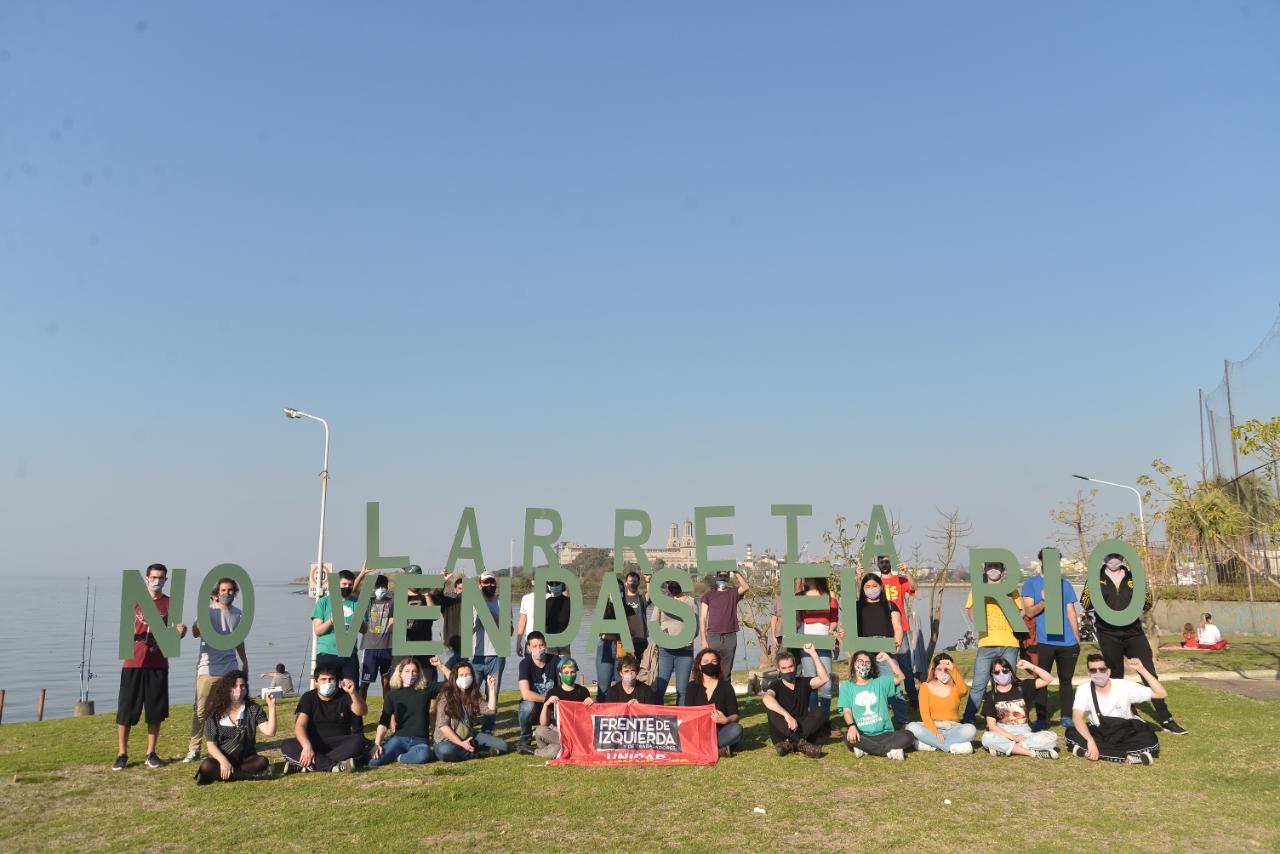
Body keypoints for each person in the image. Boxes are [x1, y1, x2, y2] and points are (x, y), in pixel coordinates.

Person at [1079, 554, 1187, 735]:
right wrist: (1091, 585)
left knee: (1149, 673)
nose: (1114, 560)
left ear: (1123, 557)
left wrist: (1142, 587)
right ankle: (1125, 715)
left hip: (1133, 633)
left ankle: (1166, 718)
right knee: (1116, 676)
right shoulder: (1096, 579)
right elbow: (1085, 604)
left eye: (1118, 556)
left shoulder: (1133, 577)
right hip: (1108, 633)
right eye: (1110, 556)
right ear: (1104, 557)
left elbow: (1147, 604)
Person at [114, 563, 188, 771]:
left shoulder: (170, 603)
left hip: (158, 663)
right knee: (126, 710)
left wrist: (180, 632)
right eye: (154, 577)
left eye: (161, 578)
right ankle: (122, 754)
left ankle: (151, 753)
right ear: (146, 578)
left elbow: (174, 637)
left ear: (166, 580)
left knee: (155, 711)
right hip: (133, 662)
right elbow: (125, 627)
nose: (157, 581)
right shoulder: (134, 601)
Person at [185, 576, 249, 763]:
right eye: (223, 590)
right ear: (217, 592)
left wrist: (244, 661)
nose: (226, 593)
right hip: (207, 669)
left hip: (230, 667)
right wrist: (201, 620)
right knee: (200, 710)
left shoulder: (238, 614)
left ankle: (227, 743)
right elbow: (195, 633)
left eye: (230, 590)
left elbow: (238, 640)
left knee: (229, 709)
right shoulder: (207, 611)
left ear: (234, 593)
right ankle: (194, 748)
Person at [1065, 653, 1164, 765]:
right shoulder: (1083, 689)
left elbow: (1161, 693)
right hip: (1099, 731)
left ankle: (1088, 752)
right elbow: (1077, 718)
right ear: (1089, 673)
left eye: (1102, 669)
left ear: (1109, 671)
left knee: (1148, 739)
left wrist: (1142, 670)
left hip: (1126, 730)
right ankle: (1132, 757)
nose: (1098, 673)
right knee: (1071, 731)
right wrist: (1090, 741)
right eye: (1093, 670)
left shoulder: (1124, 686)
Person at [1021, 548, 1081, 729]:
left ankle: (1066, 716)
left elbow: (1071, 611)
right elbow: (1029, 612)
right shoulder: (1031, 584)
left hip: (1068, 643)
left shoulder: (1065, 584)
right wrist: (1045, 602)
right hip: (1044, 641)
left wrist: (1077, 638)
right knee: (1042, 681)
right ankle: (1041, 718)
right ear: (1041, 562)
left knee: (1066, 681)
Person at [961, 561, 1022, 725]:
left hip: (1009, 643)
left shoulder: (1013, 591)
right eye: (990, 567)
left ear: (1003, 571)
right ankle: (968, 719)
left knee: (1007, 683)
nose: (993, 570)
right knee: (979, 684)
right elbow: (971, 610)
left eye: (997, 567)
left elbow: (1017, 614)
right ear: (985, 570)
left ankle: (1007, 717)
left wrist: (1008, 598)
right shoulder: (978, 590)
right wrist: (980, 624)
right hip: (987, 643)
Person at [281, 663, 368, 773]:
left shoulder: (344, 695)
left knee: (359, 741)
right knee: (287, 745)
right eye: (323, 679)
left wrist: (353, 693)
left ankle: (307, 764)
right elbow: (300, 725)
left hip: (340, 744)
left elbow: (362, 712)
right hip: (314, 744)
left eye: (331, 679)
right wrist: (307, 746)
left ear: (337, 681)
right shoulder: (308, 697)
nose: (328, 682)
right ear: (316, 682)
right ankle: (335, 766)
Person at [194, 670, 276, 784]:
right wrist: (223, 762)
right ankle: (256, 776)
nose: (239, 689)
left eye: (242, 686)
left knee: (262, 761)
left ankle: (216, 775)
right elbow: (211, 745)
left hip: (246, 759)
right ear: (227, 689)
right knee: (207, 765)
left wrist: (272, 707)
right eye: (234, 686)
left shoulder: (253, 709)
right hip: (221, 758)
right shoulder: (215, 713)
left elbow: (270, 732)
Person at [839, 650, 916, 760]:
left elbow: (901, 677)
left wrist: (888, 658)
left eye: (867, 662)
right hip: (862, 734)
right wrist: (851, 726)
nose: (864, 664)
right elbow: (847, 711)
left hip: (885, 733)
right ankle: (888, 751)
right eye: (860, 661)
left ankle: (867, 748)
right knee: (848, 737)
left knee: (908, 736)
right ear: (854, 663)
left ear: (871, 666)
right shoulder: (846, 686)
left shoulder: (879, 682)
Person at [978, 658, 1060, 759]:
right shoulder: (991, 696)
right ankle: (1031, 752)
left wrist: (1030, 666)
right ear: (993, 675)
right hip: (1003, 732)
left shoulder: (1023, 686)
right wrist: (1013, 737)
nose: (1001, 674)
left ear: (1010, 672)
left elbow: (1048, 679)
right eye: (997, 672)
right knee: (987, 738)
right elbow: (992, 726)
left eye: (1004, 670)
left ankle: (1005, 749)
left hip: (1024, 732)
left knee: (1052, 738)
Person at [853, 572, 906, 725]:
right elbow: (850, 630)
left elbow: (898, 627)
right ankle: (870, 722)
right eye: (867, 586)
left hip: (885, 654)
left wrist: (897, 644)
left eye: (874, 586)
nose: (871, 589)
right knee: (866, 691)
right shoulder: (857, 607)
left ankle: (903, 721)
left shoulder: (890, 605)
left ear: (881, 587)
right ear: (862, 588)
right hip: (864, 655)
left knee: (894, 688)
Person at [369, 658, 441, 767]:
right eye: (407, 671)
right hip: (399, 739)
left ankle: (399, 757)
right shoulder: (392, 695)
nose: (410, 674)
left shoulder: (426, 688)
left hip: (420, 740)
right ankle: (357, 758)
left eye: (414, 671)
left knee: (424, 755)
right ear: (400, 673)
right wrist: (377, 743)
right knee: (374, 762)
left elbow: (452, 683)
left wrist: (440, 665)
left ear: (418, 673)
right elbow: (383, 722)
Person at [761, 644, 827, 758]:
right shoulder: (775, 685)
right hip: (783, 731)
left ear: (795, 666)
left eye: (791, 666)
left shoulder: (804, 682)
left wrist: (814, 654)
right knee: (771, 709)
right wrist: (787, 715)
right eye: (784, 668)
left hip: (802, 728)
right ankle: (800, 743)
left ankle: (792, 744)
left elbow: (824, 679)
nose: (788, 671)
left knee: (819, 711)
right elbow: (766, 698)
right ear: (778, 670)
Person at [433, 661, 508, 761]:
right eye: (462, 675)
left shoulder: (473, 695)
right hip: (446, 740)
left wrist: (492, 689)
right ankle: (477, 752)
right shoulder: (446, 697)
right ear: (455, 678)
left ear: (472, 677)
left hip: (468, 735)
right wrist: (461, 743)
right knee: (445, 751)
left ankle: (469, 748)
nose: (465, 678)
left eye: (468, 675)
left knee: (503, 745)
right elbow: (443, 726)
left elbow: (490, 710)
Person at [905, 653, 977, 754]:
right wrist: (936, 733)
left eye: (946, 670)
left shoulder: (956, 687)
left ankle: (930, 745)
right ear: (933, 671)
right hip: (931, 727)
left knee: (971, 729)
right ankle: (951, 746)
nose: (943, 673)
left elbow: (964, 691)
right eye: (939, 669)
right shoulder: (925, 687)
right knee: (911, 727)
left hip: (953, 727)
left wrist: (953, 669)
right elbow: (925, 715)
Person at [872, 557, 919, 709]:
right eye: (881, 562)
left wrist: (907, 571)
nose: (884, 564)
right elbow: (862, 591)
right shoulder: (875, 582)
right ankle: (891, 697)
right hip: (882, 630)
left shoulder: (899, 580)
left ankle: (913, 697)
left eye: (887, 561)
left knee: (905, 664)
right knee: (886, 666)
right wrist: (859, 577)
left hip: (901, 628)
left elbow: (914, 586)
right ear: (877, 564)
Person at [471, 571, 512, 735]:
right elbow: (466, 630)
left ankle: (487, 729)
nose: (490, 585)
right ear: (479, 584)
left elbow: (509, 631)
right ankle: (467, 725)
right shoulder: (473, 604)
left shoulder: (503, 603)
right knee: (470, 692)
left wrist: (495, 618)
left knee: (492, 693)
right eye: (486, 582)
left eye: (492, 582)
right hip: (476, 656)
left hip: (497, 655)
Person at [797, 576, 839, 732]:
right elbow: (796, 618)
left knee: (826, 682)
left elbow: (834, 619)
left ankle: (825, 720)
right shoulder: (800, 596)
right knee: (811, 681)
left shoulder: (829, 595)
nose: (807, 578)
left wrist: (831, 632)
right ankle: (814, 721)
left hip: (824, 640)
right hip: (805, 640)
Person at [311, 569, 364, 684]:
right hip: (327, 653)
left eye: (350, 585)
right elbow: (318, 631)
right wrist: (331, 620)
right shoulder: (323, 602)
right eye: (344, 584)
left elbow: (364, 630)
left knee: (351, 690)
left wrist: (359, 620)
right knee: (328, 691)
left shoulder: (358, 603)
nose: (347, 587)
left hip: (349, 655)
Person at [687, 648, 743, 756]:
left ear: (718, 665)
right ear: (699, 666)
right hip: (698, 732)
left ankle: (703, 749)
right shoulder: (692, 686)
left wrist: (725, 720)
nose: (710, 664)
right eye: (706, 661)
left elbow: (735, 715)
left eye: (713, 661)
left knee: (737, 730)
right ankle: (717, 750)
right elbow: (688, 714)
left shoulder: (726, 686)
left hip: (720, 732)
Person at [534, 656, 591, 759]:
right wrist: (546, 704)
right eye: (566, 672)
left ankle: (537, 751)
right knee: (540, 731)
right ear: (560, 674)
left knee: (555, 751)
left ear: (576, 673)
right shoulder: (553, 692)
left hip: (575, 732)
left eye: (572, 672)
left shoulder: (583, 691)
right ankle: (564, 747)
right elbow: (543, 723)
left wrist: (591, 704)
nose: (570, 675)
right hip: (557, 731)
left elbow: (589, 720)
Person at [652, 579, 696, 705]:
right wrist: (661, 636)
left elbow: (696, 625)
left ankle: (680, 719)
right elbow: (654, 622)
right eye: (669, 584)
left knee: (682, 690)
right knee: (659, 688)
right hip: (665, 651)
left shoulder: (691, 602)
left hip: (685, 652)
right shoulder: (661, 601)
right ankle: (658, 719)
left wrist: (691, 637)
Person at [594, 577, 638, 701]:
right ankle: (603, 715)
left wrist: (612, 633)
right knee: (603, 686)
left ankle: (623, 715)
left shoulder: (628, 608)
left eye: (618, 589)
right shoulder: (602, 609)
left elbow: (633, 631)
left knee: (623, 685)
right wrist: (619, 631)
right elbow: (599, 632)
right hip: (605, 647)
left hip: (622, 647)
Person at [515, 631, 560, 753]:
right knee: (526, 706)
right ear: (529, 648)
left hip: (553, 706)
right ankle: (526, 736)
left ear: (545, 645)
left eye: (541, 645)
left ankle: (555, 730)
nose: (538, 649)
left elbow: (562, 686)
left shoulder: (555, 660)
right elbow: (525, 694)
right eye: (534, 646)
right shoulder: (525, 664)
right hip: (535, 705)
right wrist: (547, 700)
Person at [699, 569, 749, 674]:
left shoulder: (733, 592)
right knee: (712, 669)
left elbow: (746, 587)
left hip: (730, 637)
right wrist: (703, 639)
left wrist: (736, 572)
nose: (723, 578)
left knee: (726, 671)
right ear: (716, 578)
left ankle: (725, 689)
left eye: (725, 576)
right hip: (713, 637)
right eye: (720, 576)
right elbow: (703, 618)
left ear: (728, 578)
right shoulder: (708, 595)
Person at [359, 574, 395, 702]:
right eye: (377, 586)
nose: (380, 588)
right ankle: (359, 717)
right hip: (370, 648)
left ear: (387, 586)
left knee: (387, 684)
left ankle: (387, 715)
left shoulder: (393, 600)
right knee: (364, 685)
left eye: (383, 586)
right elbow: (355, 592)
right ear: (373, 587)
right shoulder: (368, 600)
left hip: (388, 647)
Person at [622, 568, 651, 662]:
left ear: (638, 583)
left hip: (641, 640)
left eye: (635, 581)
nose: (632, 583)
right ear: (626, 583)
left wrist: (648, 582)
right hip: (626, 641)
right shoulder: (622, 600)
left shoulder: (641, 598)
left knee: (641, 669)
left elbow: (649, 596)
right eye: (630, 581)